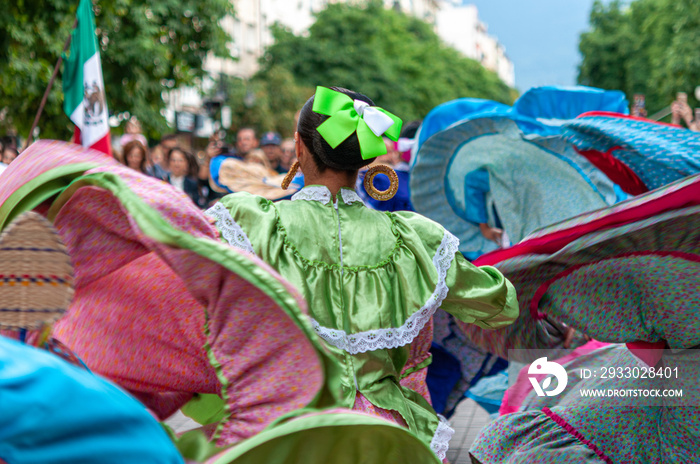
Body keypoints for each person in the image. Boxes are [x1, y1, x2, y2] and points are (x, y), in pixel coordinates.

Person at [205, 86, 519, 461]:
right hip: (387, 439)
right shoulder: (415, 238)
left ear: (299, 148)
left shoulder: (252, 225)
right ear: (364, 158)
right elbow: (501, 305)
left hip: (289, 433)